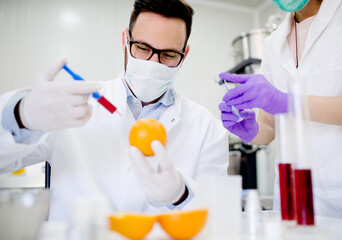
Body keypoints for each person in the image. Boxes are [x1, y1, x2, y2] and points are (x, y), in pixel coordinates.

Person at [0, 0, 229, 220]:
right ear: (125, 41)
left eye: (169, 54)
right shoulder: (72, 107)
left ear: (184, 54)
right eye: (142, 47)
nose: (153, 64)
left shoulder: (207, 128)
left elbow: (220, 217)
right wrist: (22, 116)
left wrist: (181, 195)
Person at [219, 0, 342, 220]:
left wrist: (291, 103)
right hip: (290, 197)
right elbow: (269, 126)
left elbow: (284, 103)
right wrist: (252, 130)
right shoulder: (273, 43)